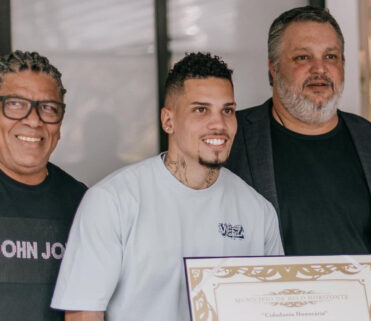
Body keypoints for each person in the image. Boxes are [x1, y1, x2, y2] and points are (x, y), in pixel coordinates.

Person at [50, 52, 283, 321]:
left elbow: (271, 310)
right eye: (200, 109)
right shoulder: (112, 201)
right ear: (168, 120)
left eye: (227, 110)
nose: (219, 123)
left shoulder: (258, 211)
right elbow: (83, 314)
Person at [225, 6, 371, 320]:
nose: (320, 69)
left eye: (331, 56)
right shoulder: (233, 138)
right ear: (273, 69)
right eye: (303, 57)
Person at [0, 51, 87, 321]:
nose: (34, 120)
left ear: (59, 125)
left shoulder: (84, 202)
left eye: (48, 108)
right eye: (16, 104)